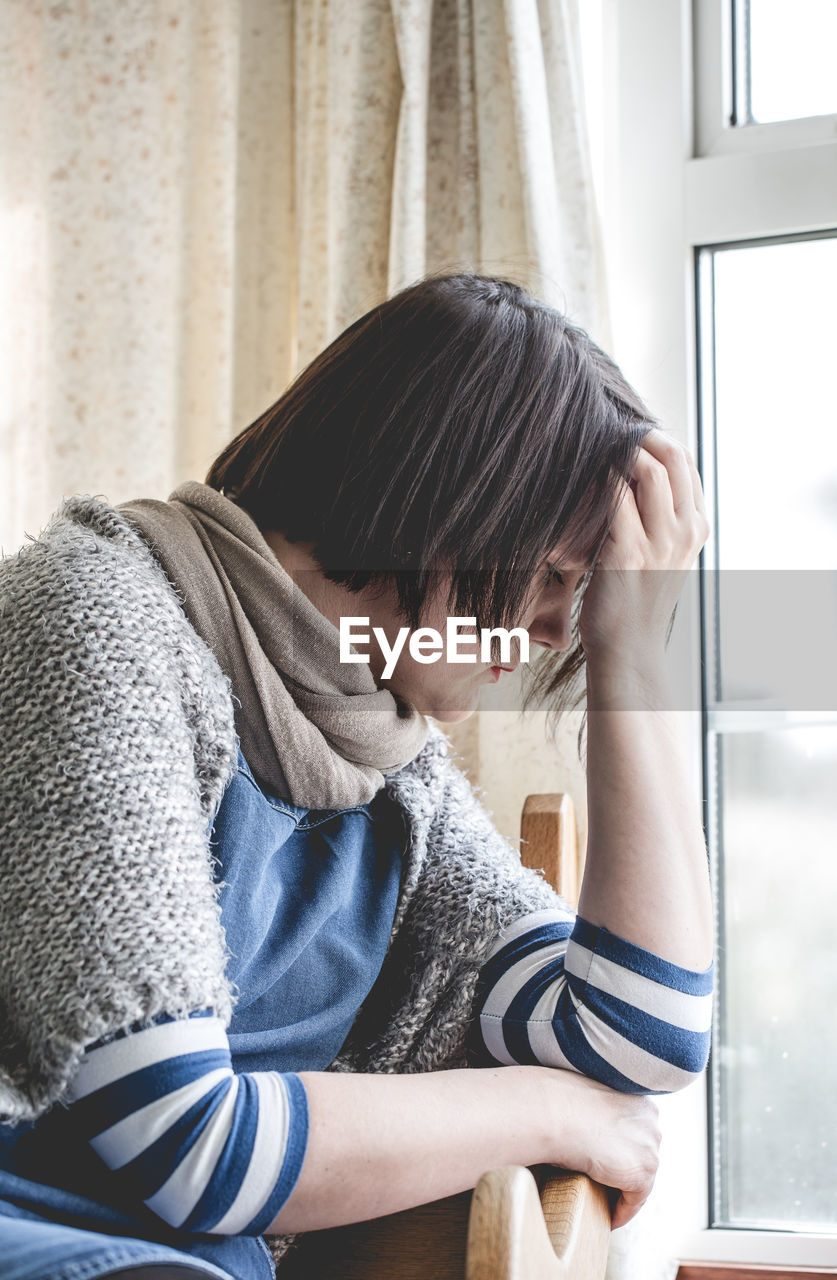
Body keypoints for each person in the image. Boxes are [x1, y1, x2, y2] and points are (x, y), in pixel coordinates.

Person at [0, 273, 714, 1280]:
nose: (561, 629)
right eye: (554, 577)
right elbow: (188, 1143)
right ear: (451, 505)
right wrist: (550, 1109)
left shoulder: (387, 753)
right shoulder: (97, 621)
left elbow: (638, 1034)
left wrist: (636, 661)